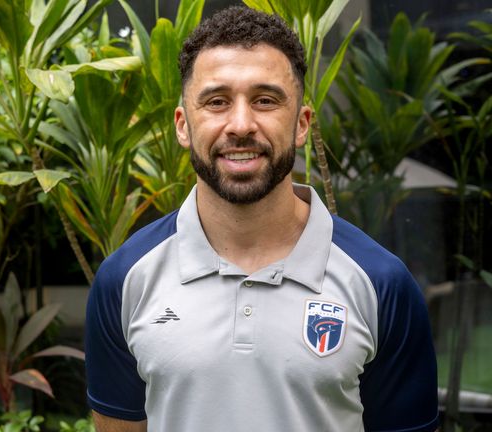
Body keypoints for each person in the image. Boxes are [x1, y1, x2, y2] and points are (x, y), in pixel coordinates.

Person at [84, 6, 438, 432]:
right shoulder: (125, 279)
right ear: (183, 125)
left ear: (302, 124)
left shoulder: (381, 284)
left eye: (265, 100)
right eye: (216, 101)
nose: (240, 125)